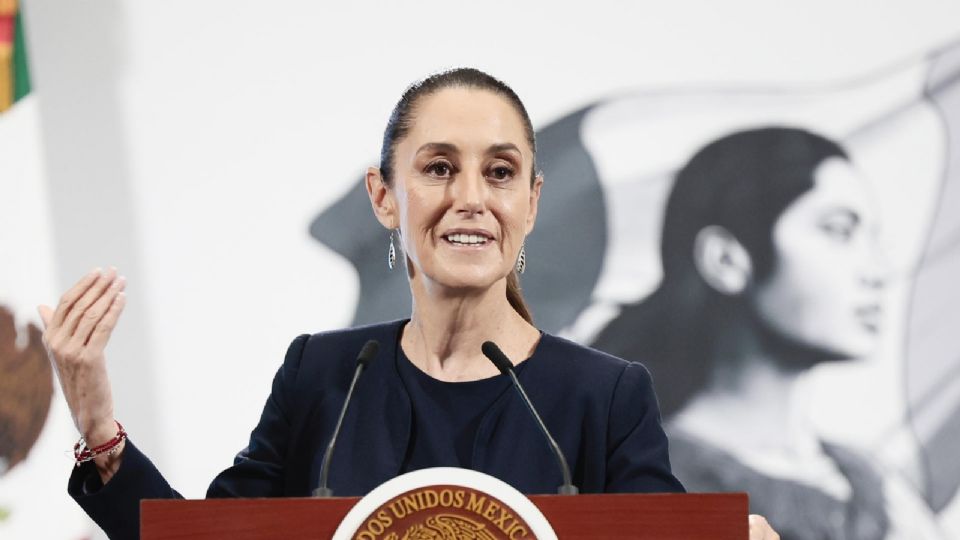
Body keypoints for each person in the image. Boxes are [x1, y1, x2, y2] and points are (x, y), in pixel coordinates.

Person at [38, 68, 780, 539]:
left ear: (531, 202)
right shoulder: (321, 376)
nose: (469, 199)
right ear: (384, 197)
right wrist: (99, 428)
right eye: (437, 168)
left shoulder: (607, 396)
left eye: (499, 172)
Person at [592, 127, 942, 539]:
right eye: (839, 230)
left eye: (873, 239)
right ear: (726, 259)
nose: (878, 271)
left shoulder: (879, 487)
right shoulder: (639, 478)